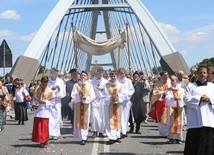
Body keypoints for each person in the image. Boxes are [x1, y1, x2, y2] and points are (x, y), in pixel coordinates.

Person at [183, 67, 214, 155]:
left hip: (209, 120)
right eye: (200, 73)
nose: (202, 74)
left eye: (204, 73)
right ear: (197, 74)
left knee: (208, 144)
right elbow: (185, 99)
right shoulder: (191, 86)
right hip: (195, 120)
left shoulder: (212, 86)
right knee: (194, 144)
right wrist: (199, 98)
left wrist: (210, 99)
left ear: (207, 74)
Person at [71, 71, 95, 145]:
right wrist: (78, 94)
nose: (83, 76)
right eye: (82, 75)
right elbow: (73, 95)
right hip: (78, 105)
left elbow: (93, 96)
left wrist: (86, 98)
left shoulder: (90, 85)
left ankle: (84, 137)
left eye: (84, 75)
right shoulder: (76, 85)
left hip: (86, 105)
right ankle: (82, 137)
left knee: (85, 121)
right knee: (79, 121)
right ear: (80, 76)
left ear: (87, 77)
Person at [32, 76, 55, 148]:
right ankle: (40, 140)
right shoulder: (38, 90)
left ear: (47, 83)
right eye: (42, 83)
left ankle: (44, 139)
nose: (43, 84)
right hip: (38, 109)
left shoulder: (50, 91)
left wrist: (45, 102)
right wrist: (36, 102)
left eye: (45, 83)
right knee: (38, 126)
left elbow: (52, 102)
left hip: (45, 110)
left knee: (44, 126)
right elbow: (34, 99)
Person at [103, 71, 125, 144]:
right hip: (109, 105)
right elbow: (104, 95)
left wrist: (118, 96)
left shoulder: (121, 85)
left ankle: (117, 136)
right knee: (110, 121)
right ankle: (112, 138)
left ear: (117, 76)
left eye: (115, 75)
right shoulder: (106, 85)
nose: (113, 77)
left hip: (118, 105)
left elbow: (123, 94)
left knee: (118, 120)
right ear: (110, 76)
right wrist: (110, 97)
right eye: (112, 75)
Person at [149, 71, 171, 137]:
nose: (166, 76)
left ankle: (168, 132)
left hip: (169, 102)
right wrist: (163, 92)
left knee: (169, 117)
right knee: (161, 117)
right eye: (164, 75)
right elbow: (155, 92)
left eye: (167, 75)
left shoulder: (170, 82)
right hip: (160, 102)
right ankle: (163, 133)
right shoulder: (158, 83)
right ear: (161, 76)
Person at [165, 75, 185, 144]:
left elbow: (184, 97)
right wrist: (173, 99)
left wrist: (180, 99)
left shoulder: (181, 89)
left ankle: (179, 138)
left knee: (179, 123)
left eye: (173, 80)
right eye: (171, 80)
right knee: (171, 122)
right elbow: (168, 98)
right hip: (172, 108)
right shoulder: (169, 90)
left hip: (179, 107)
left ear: (176, 81)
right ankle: (172, 138)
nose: (172, 82)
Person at [48, 68, 66, 140]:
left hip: (57, 101)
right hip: (49, 101)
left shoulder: (60, 81)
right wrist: (51, 90)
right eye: (54, 73)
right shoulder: (48, 81)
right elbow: (45, 90)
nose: (55, 75)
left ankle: (55, 133)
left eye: (56, 73)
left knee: (56, 117)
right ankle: (49, 132)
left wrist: (59, 89)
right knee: (49, 117)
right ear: (51, 73)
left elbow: (63, 92)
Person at [90, 67, 108, 138]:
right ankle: (95, 131)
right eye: (99, 72)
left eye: (101, 72)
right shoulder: (92, 81)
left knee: (102, 116)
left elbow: (108, 91)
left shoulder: (106, 81)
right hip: (94, 100)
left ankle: (101, 131)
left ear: (103, 73)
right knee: (94, 116)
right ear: (96, 72)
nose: (100, 73)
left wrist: (102, 89)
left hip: (102, 100)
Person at [117, 68, 135, 137]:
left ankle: (124, 130)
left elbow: (132, 90)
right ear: (119, 73)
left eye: (123, 73)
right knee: (120, 116)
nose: (122, 74)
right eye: (121, 73)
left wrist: (127, 96)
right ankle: (120, 130)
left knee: (126, 116)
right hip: (119, 101)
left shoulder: (128, 81)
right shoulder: (117, 81)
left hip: (126, 101)